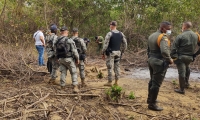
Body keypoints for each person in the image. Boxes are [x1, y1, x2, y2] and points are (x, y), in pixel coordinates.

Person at [147, 21, 173, 111]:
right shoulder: (163, 37)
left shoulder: (152, 35)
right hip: (159, 62)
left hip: (151, 60)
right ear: (162, 28)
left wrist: (150, 58)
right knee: (156, 83)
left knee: (152, 80)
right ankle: (152, 104)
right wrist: (170, 59)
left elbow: (148, 49)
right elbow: (164, 51)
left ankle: (150, 99)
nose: (170, 31)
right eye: (168, 29)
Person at [171, 22, 198, 94]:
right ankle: (186, 83)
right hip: (190, 57)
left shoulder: (180, 36)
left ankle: (182, 89)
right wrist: (195, 54)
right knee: (187, 69)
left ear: (184, 27)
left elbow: (173, 48)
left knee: (182, 72)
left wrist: (173, 57)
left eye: (182, 26)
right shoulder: (196, 36)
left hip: (181, 57)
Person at [102, 21, 127, 87]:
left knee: (110, 67)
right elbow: (125, 44)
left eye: (110, 25)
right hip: (118, 53)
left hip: (111, 53)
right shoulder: (121, 34)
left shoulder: (110, 34)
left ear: (111, 26)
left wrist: (103, 52)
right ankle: (116, 81)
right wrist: (122, 51)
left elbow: (105, 44)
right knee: (117, 67)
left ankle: (110, 82)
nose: (110, 26)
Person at [55, 26, 79, 93]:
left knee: (63, 73)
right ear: (66, 32)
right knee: (73, 72)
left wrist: (57, 58)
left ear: (61, 32)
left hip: (61, 59)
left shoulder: (57, 40)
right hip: (69, 59)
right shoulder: (69, 40)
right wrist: (77, 59)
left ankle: (62, 87)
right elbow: (74, 51)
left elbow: (55, 50)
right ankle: (75, 86)